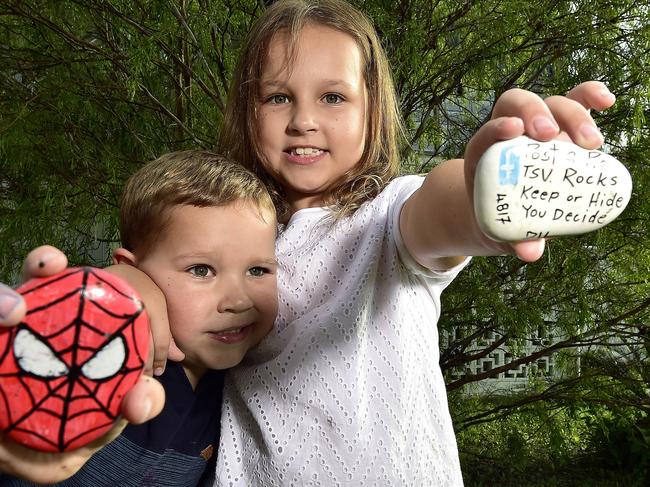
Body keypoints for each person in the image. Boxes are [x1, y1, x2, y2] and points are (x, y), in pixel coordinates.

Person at [0, 0, 618, 485]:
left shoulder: (384, 220)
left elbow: (441, 210)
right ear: (248, 111)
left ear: (373, 111)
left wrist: (487, 178)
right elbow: (153, 277)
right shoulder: (235, 234)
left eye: (333, 96)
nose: (304, 119)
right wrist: (134, 294)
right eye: (278, 97)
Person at [0, 150, 278, 486]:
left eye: (258, 270)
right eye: (201, 270)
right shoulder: (102, 359)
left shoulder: (243, 392)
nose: (238, 300)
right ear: (132, 269)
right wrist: (120, 289)